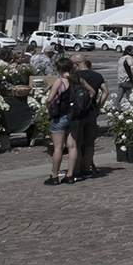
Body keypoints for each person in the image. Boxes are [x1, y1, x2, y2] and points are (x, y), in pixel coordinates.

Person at [44, 57, 90, 186]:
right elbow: (91, 92)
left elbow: (49, 100)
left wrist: (49, 112)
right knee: (73, 146)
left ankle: (54, 176)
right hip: (75, 116)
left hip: (60, 116)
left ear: (59, 69)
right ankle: (70, 175)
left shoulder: (60, 81)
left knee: (58, 147)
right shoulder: (78, 80)